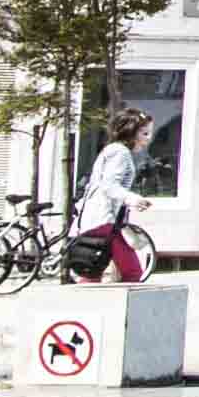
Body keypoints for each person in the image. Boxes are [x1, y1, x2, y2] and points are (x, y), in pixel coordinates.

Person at [70, 106, 155, 283]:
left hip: (95, 219)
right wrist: (132, 198)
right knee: (132, 272)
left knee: (92, 270)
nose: (148, 139)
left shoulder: (113, 150)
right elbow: (109, 185)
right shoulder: (120, 153)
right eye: (145, 133)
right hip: (103, 220)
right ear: (131, 133)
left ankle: (84, 309)